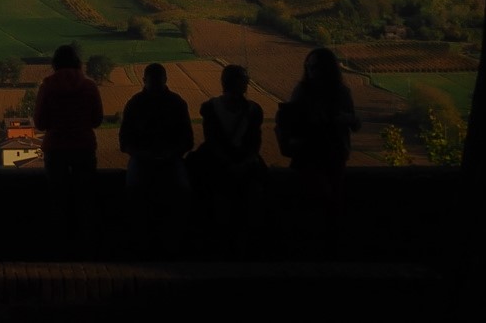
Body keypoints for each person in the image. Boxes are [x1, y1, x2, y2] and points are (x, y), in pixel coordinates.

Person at [277, 47, 360, 252]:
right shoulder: (303, 91)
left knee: (331, 203)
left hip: (333, 155)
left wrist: (344, 119)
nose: (311, 70)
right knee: (324, 200)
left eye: (315, 67)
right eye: (309, 66)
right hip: (310, 156)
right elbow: (291, 121)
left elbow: (355, 123)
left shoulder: (341, 93)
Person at [33, 44, 103, 258]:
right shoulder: (90, 86)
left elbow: (40, 122)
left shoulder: (48, 86)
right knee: (85, 200)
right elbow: (97, 120)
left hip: (56, 150)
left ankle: (59, 249)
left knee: (57, 199)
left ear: (55, 63)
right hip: (84, 148)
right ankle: (87, 247)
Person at [190, 64, 266, 256]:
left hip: (218, 167)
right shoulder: (253, 111)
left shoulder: (210, 109)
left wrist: (231, 164)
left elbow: (213, 142)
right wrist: (242, 164)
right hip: (239, 167)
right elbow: (253, 144)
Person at [119, 62, 194, 254]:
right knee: (181, 191)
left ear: (144, 80)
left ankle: (138, 242)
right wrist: (168, 154)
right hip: (166, 159)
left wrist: (144, 155)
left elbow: (125, 141)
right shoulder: (177, 103)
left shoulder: (135, 103)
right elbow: (187, 140)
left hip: (149, 160)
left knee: (134, 191)